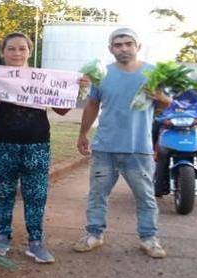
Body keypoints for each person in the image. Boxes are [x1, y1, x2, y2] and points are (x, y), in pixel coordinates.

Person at [0, 32, 86, 263]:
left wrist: (76, 89)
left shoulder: (42, 79)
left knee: (36, 195)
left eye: (22, 49)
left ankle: (36, 242)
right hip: (2, 145)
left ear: (29, 52)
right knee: (3, 195)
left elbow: (61, 110)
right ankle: (2, 238)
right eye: (11, 49)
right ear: (2, 52)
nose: (17, 53)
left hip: (37, 145)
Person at [73, 28, 172, 258]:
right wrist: (83, 134)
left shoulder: (153, 73)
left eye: (128, 43)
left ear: (138, 46)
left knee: (146, 197)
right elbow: (91, 106)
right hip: (105, 147)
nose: (124, 48)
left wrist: (160, 97)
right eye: (118, 45)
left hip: (138, 149)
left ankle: (149, 239)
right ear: (111, 49)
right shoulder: (102, 75)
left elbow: (168, 103)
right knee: (97, 195)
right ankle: (94, 235)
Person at [153, 90, 197, 208]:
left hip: (190, 131)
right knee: (147, 150)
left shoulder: (191, 93)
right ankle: (149, 188)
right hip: (166, 129)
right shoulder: (161, 89)